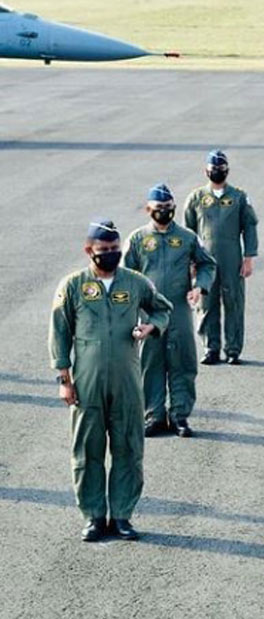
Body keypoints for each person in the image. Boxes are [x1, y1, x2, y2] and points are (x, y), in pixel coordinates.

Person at [49, 220, 173, 541]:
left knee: (128, 447)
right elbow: (60, 332)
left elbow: (162, 309)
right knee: (88, 449)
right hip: (87, 381)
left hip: (127, 380)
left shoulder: (134, 283)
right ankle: (94, 516)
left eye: (115, 250)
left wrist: (150, 327)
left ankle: (122, 515)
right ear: (89, 251)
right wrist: (64, 378)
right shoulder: (73, 285)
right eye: (103, 251)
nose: (110, 255)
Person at [124, 183, 217, 438]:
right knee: (150, 363)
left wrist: (200, 286)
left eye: (167, 208)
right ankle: (154, 415)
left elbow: (207, 264)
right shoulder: (137, 239)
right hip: (148, 314)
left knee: (183, 363)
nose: (163, 212)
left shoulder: (187, 238)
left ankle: (180, 416)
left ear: (174, 208)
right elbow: (124, 276)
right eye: (158, 208)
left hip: (179, 311)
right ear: (148, 209)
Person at [183, 149, 259, 365]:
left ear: (227, 171)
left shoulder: (238, 197)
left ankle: (233, 350)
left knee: (234, 302)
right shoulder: (196, 198)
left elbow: (250, 227)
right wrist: (190, 262)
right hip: (204, 260)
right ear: (206, 171)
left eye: (221, 169)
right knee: (206, 304)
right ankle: (211, 348)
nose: (217, 172)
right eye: (213, 169)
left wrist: (249, 257)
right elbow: (187, 232)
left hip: (232, 257)